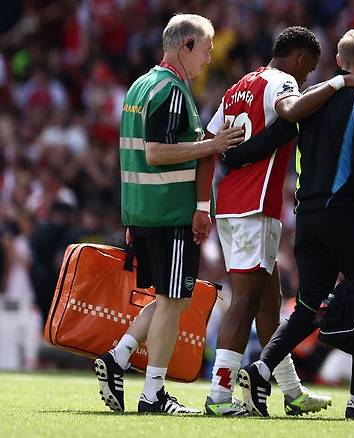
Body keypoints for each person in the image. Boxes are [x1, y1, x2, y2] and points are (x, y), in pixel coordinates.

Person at [239, 28, 354, 420]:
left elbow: (273, 136)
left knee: (307, 307)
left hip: (307, 221)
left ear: (338, 62)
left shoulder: (311, 102)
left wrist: (233, 155)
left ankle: (261, 370)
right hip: (346, 218)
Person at [202, 26, 354, 417]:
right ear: (302, 58)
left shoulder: (239, 85)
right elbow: (292, 111)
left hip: (235, 202)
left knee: (270, 303)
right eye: (310, 70)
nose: (307, 79)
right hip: (252, 205)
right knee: (244, 301)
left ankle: (291, 390)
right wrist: (339, 82)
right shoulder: (283, 80)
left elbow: (214, 138)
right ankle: (219, 396)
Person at [93, 14, 245, 415]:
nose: (209, 60)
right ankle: (153, 394)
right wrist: (213, 146)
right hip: (167, 211)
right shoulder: (172, 89)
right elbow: (156, 152)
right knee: (173, 298)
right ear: (186, 46)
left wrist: (131, 216)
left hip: (143, 210)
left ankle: (118, 359)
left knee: (168, 299)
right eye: (207, 50)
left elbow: (135, 153)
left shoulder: (140, 86)